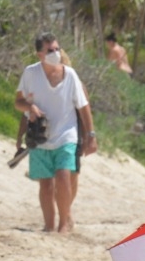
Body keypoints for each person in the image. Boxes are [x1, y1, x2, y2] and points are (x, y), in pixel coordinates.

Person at [14, 31, 97, 233]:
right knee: (45, 185)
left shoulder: (71, 75)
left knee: (64, 177)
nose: (55, 53)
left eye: (57, 49)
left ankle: (64, 224)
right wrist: (30, 110)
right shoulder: (31, 73)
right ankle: (49, 226)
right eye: (50, 50)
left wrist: (91, 136)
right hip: (40, 137)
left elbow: (84, 107)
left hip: (66, 135)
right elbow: (19, 102)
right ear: (39, 54)